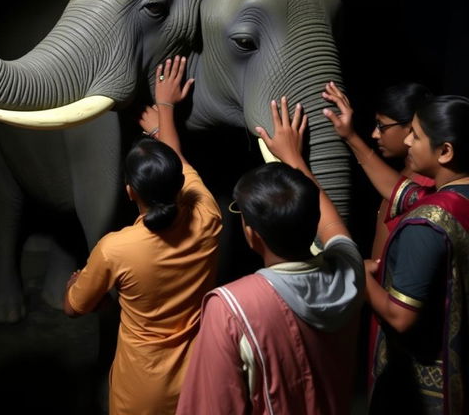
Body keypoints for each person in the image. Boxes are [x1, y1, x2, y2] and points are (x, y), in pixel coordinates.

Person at [176, 96, 365, 415]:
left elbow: (210, 406)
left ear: (252, 234)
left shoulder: (231, 308)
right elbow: (333, 225)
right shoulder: (350, 271)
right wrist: (295, 158)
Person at [63, 56, 222, 415]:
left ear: (130, 191)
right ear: (181, 185)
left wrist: (78, 284)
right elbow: (177, 158)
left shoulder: (115, 249)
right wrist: (164, 109)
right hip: (200, 374)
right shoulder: (208, 214)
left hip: (143, 388)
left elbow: (73, 307)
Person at [322, 81, 469, 414]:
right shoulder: (457, 200)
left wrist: (356, 272)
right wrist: (349, 136)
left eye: (415, 135)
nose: (406, 141)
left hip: (425, 391)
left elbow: (399, 317)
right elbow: (397, 189)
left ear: (445, 151)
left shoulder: (427, 222)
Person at [369, 82, 434, 260]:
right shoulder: (406, 172)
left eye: (382, 126)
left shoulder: (427, 184)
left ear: (412, 126)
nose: (375, 134)